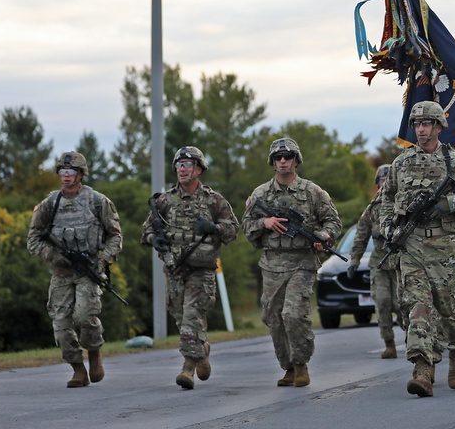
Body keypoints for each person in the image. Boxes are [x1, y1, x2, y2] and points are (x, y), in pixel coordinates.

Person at [379, 101, 455, 397]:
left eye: (426, 124)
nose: (421, 129)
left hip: (446, 248)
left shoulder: (454, 162)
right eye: (417, 124)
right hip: (411, 246)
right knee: (418, 307)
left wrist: (445, 205)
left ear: (438, 126)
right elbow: (386, 199)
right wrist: (389, 227)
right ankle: (423, 369)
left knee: (449, 309)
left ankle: (454, 348)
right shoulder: (401, 163)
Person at [243, 137, 341, 387]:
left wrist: (323, 236)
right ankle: (288, 367)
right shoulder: (260, 194)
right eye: (278, 158)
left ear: (296, 161)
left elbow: (333, 222)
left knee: (294, 314)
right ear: (273, 162)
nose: (283, 161)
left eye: (288, 157)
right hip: (272, 264)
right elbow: (245, 226)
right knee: (273, 318)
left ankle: (301, 364)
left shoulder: (312, 192)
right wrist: (264, 223)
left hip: (302, 262)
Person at [142, 146, 239, 390]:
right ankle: (202, 350)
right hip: (174, 270)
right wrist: (156, 239)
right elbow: (147, 230)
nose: (182, 169)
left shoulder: (214, 200)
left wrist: (214, 228)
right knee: (180, 316)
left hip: (202, 271)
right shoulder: (164, 200)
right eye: (179, 164)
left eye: (187, 164)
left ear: (199, 168)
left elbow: (233, 229)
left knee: (192, 319)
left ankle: (187, 368)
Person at [27, 151, 123, 388]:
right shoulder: (49, 204)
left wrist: (102, 261)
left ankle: (94, 352)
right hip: (61, 273)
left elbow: (115, 236)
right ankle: (78, 369)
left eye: (71, 171)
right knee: (60, 325)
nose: (66, 175)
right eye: (62, 171)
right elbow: (33, 240)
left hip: (88, 269)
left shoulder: (97, 201)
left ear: (81, 174)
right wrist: (55, 256)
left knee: (85, 316)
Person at [349, 164, 404, 359]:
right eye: (382, 180)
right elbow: (361, 237)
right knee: (382, 302)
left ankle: (414, 340)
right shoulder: (371, 210)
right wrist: (354, 260)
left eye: (389, 180)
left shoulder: (403, 204)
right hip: (379, 263)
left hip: (400, 263)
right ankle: (389, 343)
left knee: (402, 304)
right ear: (377, 184)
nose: (385, 184)